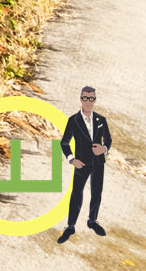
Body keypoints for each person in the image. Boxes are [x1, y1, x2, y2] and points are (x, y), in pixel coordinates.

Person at [58, 85, 112, 243]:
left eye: (92, 98)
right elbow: (64, 142)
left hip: (98, 162)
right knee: (76, 194)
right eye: (85, 98)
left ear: (95, 100)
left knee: (97, 192)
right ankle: (70, 226)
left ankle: (92, 221)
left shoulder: (101, 120)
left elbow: (108, 140)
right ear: (81, 99)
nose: (89, 101)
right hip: (81, 163)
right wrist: (71, 159)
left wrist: (104, 149)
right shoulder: (73, 120)